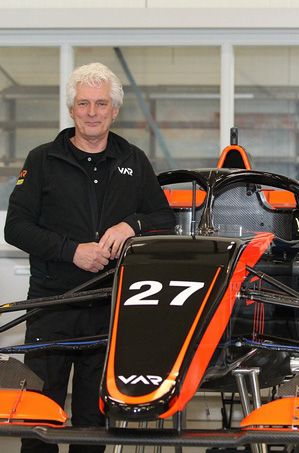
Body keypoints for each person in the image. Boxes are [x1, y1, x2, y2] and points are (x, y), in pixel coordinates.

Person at [4, 62, 175, 453]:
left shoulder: (134, 160)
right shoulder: (42, 159)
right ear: (71, 109)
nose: (92, 112)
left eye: (101, 104)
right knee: (39, 418)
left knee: (93, 423)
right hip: (51, 305)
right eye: (83, 103)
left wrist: (131, 224)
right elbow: (16, 227)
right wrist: (72, 251)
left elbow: (163, 218)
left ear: (115, 110)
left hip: (108, 308)